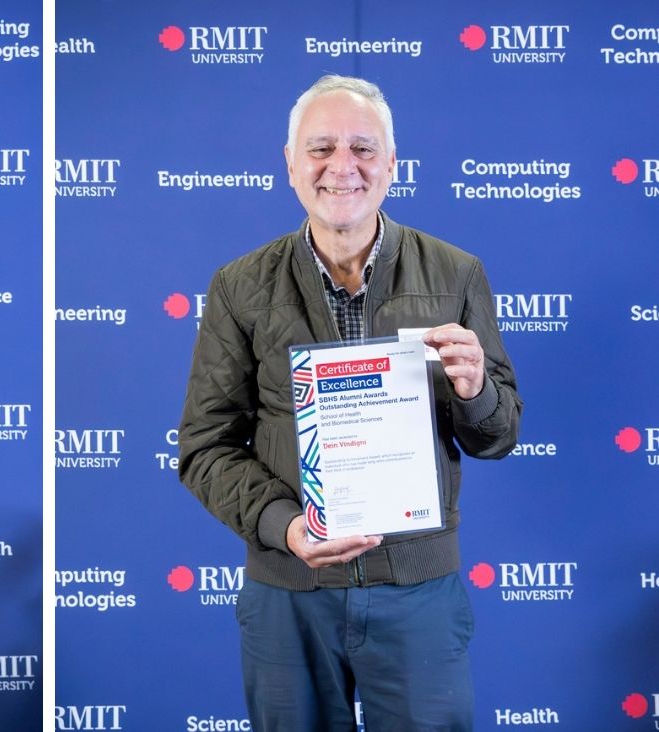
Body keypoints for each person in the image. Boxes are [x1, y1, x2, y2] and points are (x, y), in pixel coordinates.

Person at [177, 75, 522, 730]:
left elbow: (498, 435)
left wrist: (477, 392)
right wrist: (284, 526)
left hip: (418, 591)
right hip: (288, 594)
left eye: (364, 148)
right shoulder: (240, 287)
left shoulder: (456, 273)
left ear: (393, 164)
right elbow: (204, 448)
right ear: (289, 164)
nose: (343, 167)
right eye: (321, 148)